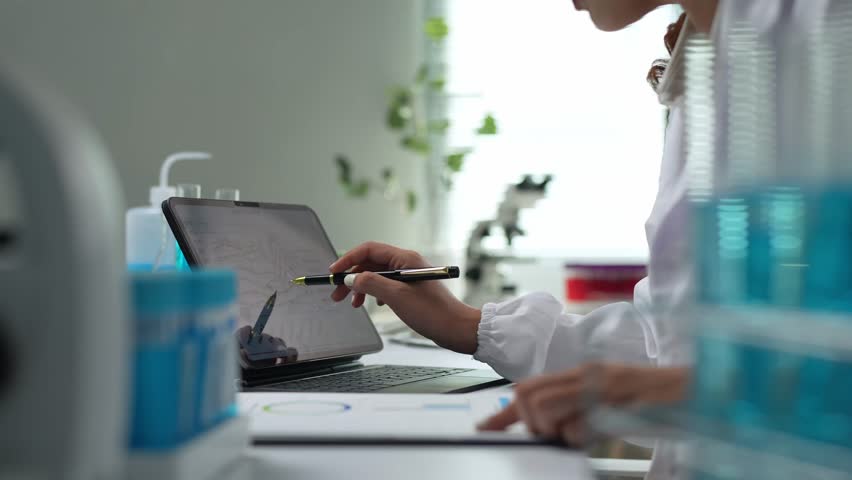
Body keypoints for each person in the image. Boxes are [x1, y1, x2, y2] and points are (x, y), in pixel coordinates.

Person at [331, 0, 717, 456]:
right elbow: (669, 352)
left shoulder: (803, 56)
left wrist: (673, 395)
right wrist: (467, 324)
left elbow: (808, 384)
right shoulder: (714, 59)